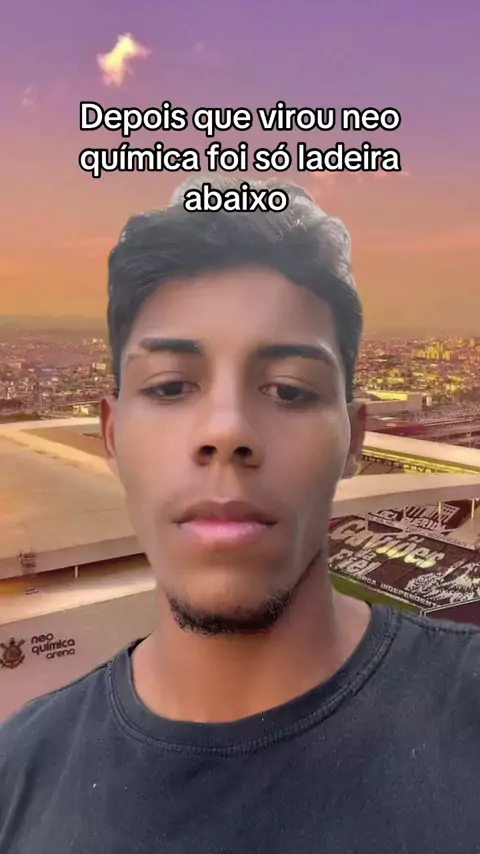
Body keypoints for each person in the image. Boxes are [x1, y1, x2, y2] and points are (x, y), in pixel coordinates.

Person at [1, 177, 480, 854]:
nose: (227, 430)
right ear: (111, 435)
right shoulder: (18, 777)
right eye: (171, 386)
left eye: (289, 390)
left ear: (354, 440)